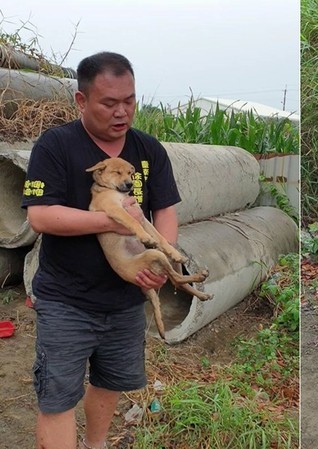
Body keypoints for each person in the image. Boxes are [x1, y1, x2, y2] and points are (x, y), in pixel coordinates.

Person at [21, 52, 182, 449]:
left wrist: (162, 260)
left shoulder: (148, 150)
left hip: (125, 300)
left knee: (109, 383)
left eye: (129, 100)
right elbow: (41, 217)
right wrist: (113, 220)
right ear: (81, 101)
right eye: (109, 103)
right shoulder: (55, 146)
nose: (121, 111)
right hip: (67, 299)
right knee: (57, 398)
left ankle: (96, 445)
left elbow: (164, 210)